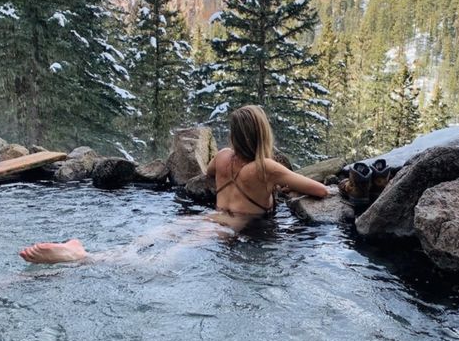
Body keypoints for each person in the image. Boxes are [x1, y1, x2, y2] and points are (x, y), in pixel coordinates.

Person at [18, 105, 330, 264]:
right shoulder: (267, 167)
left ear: (234, 135)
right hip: (225, 230)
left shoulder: (222, 156)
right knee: (158, 265)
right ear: (262, 135)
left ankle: (85, 251)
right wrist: (282, 186)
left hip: (205, 218)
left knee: (140, 244)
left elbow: (208, 172)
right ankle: (80, 257)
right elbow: (321, 191)